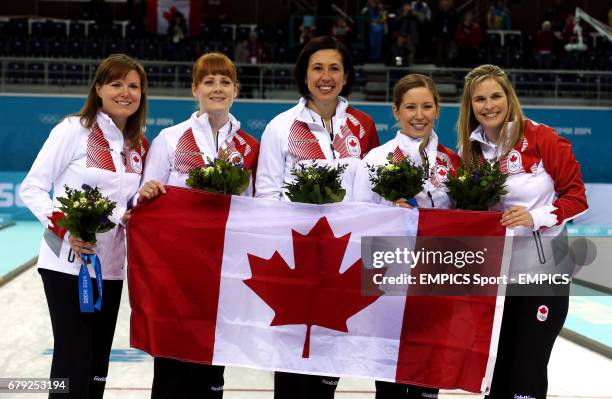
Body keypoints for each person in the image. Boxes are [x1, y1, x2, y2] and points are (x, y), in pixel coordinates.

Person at [255, 35, 380, 398]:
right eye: (317, 68)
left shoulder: (362, 125)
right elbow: (266, 193)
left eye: (334, 68)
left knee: (331, 362)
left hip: (344, 261)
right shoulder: (282, 126)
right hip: (297, 260)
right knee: (293, 362)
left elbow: (371, 188)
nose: (326, 76)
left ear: (346, 76)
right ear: (304, 74)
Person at [19, 54, 149, 399]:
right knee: (72, 363)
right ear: (99, 88)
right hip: (67, 264)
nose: (126, 92)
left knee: (96, 369)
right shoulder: (73, 130)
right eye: (117, 84)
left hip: (110, 268)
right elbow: (31, 187)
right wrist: (68, 230)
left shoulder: (137, 144)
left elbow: (123, 206)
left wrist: (136, 210)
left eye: (133, 86)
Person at [456, 64, 588, 399]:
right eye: (480, 99)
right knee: (496, 372)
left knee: (527, 369)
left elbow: (577, 197)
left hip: (543, 274)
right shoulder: (469, 153)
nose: (489, 106)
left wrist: (535, 217)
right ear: (470, 106)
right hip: (495, 278)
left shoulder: (543, 138)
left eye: (496, 96)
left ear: (509, 97)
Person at [137, 52, 259, 399]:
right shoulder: (170, 139)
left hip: (223, 270)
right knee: (172, 363)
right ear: (195, 89)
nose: (217, 89)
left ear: (236, 89)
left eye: (224, 82)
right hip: (175, 270)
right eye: (209, 81)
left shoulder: (249, 146)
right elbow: (142, 204)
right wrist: (144, 194)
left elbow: (253, 208)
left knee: (212, 362)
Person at [353, 73, 459, 399]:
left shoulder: (453, 163)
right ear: (396, 111)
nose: (419, 115)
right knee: (391, 382)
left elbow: (463, 223)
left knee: (429, 378)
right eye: (410, 107)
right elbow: (358, 223)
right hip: (389, 280)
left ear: (438, 110)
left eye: (427, 106)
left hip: (437, 278)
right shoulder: (376, 159)